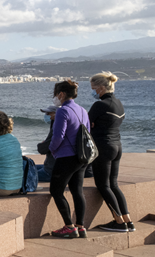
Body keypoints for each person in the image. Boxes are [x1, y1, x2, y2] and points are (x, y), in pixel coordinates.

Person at [89, 72, 134, 232]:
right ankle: (128, 220)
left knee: (103, 185)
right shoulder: (118, 103)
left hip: (103, 147)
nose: (93, 91)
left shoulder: (99, 105)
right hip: (117, 145)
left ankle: (119, 222)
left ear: (101, 88)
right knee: (114, 184)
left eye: (94, 88)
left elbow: (87, 125)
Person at [48, 79, 90, 239]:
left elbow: (58, 136)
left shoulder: (62, 111)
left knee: (56, 190)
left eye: (56, 94)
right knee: (77, 191)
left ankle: (69, 227)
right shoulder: (83, 110)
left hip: (66, 157)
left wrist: (51, 149)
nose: (55, 97)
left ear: (62, 94)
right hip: (81, 157)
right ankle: (80, 226)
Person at [36, 105, 57, 182]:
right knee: (29, 167)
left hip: (49, 171)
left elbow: (43, 149)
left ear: (55, 114)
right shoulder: (56, 125)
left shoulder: (56, 129)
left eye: (48, 114)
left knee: (26, 173)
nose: (46, 116)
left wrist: (42, 144)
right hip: (50, 167)